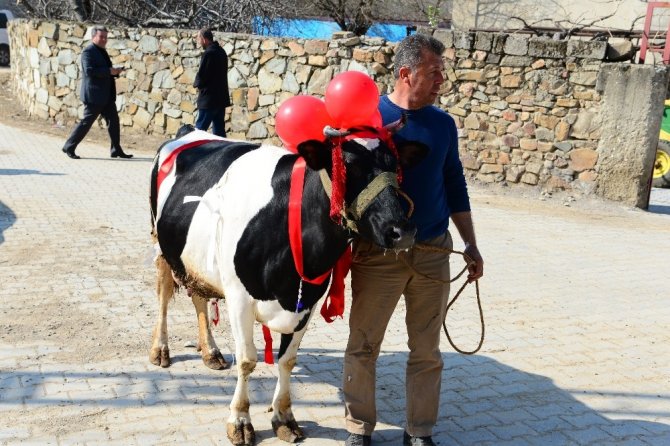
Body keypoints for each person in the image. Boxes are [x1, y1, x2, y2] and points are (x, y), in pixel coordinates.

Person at [343, 34, 485, 446]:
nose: (442, 79)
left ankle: (419, 430)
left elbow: (454, 183)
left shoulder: (443, 125)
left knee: (426, 350)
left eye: (442, 71)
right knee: (364, 344)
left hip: (433, 252)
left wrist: (470, 244)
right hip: (378, 254)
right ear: (406, 73)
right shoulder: (366, 118)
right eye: (433, 72)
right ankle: (358, 427)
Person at [62, 25, 132, 160]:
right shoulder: (88, 51)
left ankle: (116, 149)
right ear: (93, 36)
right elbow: (89, 71)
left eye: (106, 37)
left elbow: (105, 69)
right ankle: (69, 146)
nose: (104, 39)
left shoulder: (101, 50)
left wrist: (114, 71)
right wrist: (109, 71)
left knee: (114, 121)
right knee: (86, 122)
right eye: (101, 37)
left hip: (106, 95)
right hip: (94, 96)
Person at [194, 28, 230, 137]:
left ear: (204, 39)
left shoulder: (209, 54)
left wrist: (197, 84)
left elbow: (202, 75)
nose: (198, 41)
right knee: (219, 133)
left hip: (208, 100)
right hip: (220, 99)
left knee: (199, 132)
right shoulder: (221, 52)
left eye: (198, 38)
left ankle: (196, 154)